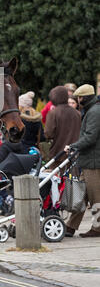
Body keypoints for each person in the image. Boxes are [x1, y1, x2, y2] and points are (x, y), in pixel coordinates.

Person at [64, 84, 100, 238]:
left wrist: (74, 146)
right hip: (88, 160)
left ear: (86, 97)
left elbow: (91, 136)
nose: (78, 101)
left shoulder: (94, 112)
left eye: (80, 98)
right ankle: (71, 226)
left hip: (93, 161)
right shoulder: (91, 110)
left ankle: (98, 228)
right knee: (81, 195)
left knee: (95, 197)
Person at [44, 86, 81, 165]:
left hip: (57, 153)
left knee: (56, 177)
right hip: (74, 153)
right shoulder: (77, 114)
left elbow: (48, 133)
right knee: (72, 176)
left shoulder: (53, 113)